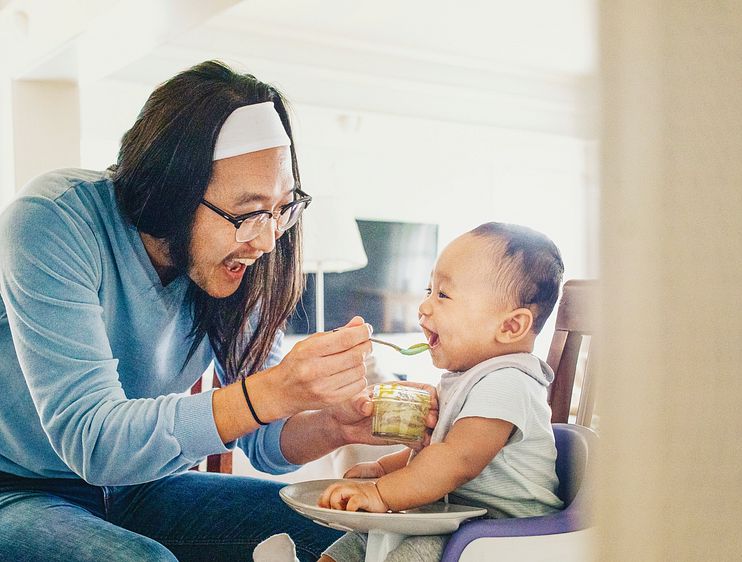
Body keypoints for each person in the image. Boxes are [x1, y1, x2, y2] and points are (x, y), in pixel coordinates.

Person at [0, 60, 434, 561]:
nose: (268, 240)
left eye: (281, 210)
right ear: (170, 190)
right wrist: (271, 391)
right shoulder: (53, 223)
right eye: (248, 213)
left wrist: (335, 425)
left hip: (142, 486)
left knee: (353, 536)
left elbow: (264, 444)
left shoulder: (231, 265)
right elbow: (94, 444)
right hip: (18, 488)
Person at [316, 222, 566, 562]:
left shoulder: (508, 380)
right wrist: (384, 469)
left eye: (443, 295)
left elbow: (457, 459)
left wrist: (382, 492)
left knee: (412, 553)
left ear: (510, 326)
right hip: (457, 518)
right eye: (428, 290)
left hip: (505, 533)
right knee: (359, 538)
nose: (424, 307)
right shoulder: (464, 378)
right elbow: (434, 450)